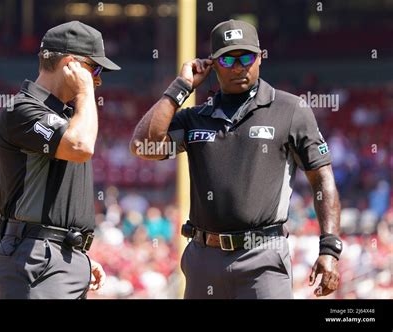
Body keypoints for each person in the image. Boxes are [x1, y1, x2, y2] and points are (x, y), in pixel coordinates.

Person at [130, 20, 341, 299]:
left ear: (260, 58)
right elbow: (144, 146)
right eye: (228, 59)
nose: (239, 66)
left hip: (263, 258)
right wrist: (181, 87)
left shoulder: (290, 110)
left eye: (247, 57)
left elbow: (322, 179)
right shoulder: (196, 117)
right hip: (204, 259)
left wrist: (329, 249)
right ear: (213, 64)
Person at [0, 21, 120, 299]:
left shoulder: (68, 116)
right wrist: (86, 93)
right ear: (71, 64)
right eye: (95, 70)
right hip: (36, 258)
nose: (97, 80)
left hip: (61, 255)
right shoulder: (21, 109)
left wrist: (75, 255)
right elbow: (81, 146)